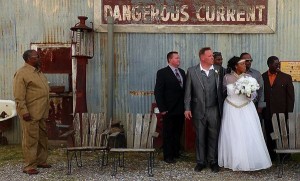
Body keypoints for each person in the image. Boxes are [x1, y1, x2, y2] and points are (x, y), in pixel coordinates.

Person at [218, 56, 272, 171]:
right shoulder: (226, 78)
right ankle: (234, 160)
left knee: (247, 133)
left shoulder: (249, 77)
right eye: (242, 64)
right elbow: (223, 92)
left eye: (245, 64)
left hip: (246, 108)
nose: (245, 65)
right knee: (233, 133)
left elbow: (254, 95)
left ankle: (249, 160)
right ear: (235, 66)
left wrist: (249, 93)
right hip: (231, 107)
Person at [184, 47, 224, 172]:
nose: (213, 57)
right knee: (200, 136)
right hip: (198, 109)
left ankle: (213, 161)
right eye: (210, 56)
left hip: (214, 109)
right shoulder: (192, 71)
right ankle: (200, 162)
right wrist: (187, 108)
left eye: (212, 56)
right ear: (202, 58)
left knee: (214, 135)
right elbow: (188, 91)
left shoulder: (219, 70)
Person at [13, 50, 51, 175]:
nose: (39, 58)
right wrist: (23, 111)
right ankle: (29, 166)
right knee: (30, 139)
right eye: (36, 57)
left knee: (42, 137)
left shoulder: (38, 72)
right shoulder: (22, 73)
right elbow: (19, 95)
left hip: (41, 112)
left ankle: (41, 161)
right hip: (30, 113)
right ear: (29, 59)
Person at [154, 51, 186, 164]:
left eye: (179, 58)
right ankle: (168, 155)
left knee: (178, 131)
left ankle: (176, 152)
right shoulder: (162, 73)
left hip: (180, 108)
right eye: (176, 58)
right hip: (169, 109)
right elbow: (158, 91)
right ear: (170, 60)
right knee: (168, 132)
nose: (179, 60)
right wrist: (162, 108)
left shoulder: (182, 72)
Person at [262, 56, 295, 160]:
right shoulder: (262, 77)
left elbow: (290, 98)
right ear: (269, 65)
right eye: (276, 64)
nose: (278, 66)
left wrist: (288, 113)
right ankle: (271, 156)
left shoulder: (286, 77)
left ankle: (284, 156)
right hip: (267, 113)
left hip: (281, 113)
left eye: (279, 64)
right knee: (270, 134)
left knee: (282, 135)